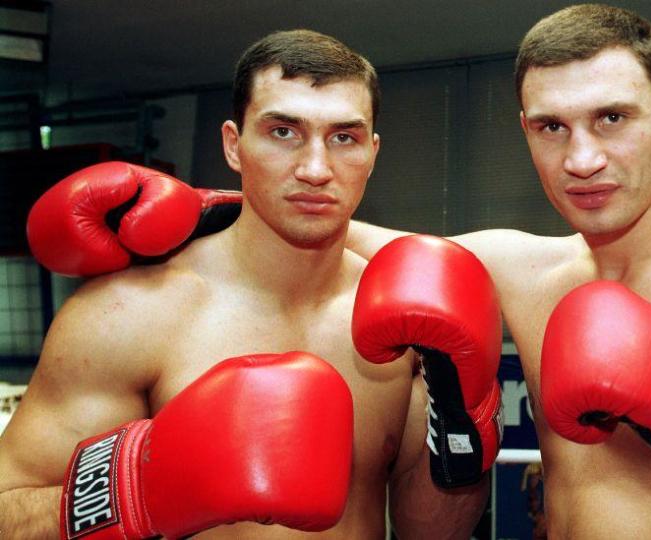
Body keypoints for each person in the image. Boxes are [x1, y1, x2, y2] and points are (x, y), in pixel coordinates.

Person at [25, 5, 651, 538]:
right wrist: (191, 208)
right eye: (550, 127)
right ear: (523, 127)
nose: (584, 158)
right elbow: (328, 217)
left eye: (612, 118)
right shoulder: (515, 272)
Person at [0, 30, 501, 538]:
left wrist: (465, 424)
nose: (315, 169)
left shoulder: (408, 325)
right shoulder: (129, 313)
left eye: (343, 137)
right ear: (233, 145)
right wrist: (137, 490)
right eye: (283, 132)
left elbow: (434, 532)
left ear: (372, 154)